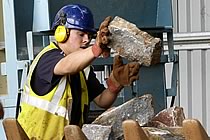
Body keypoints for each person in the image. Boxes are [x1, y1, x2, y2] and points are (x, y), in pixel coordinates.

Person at [17, 4, 140, 139]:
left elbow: (102, 100)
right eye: (81, 34)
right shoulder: (48, 58)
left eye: (90, 35)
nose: (87, 40)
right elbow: (67, 65)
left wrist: (116, 84)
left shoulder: (83, 70)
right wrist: (96, 48)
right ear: (61, 33)